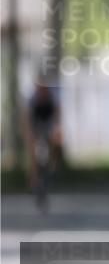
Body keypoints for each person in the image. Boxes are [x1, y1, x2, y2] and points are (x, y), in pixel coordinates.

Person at [24, 81, 60, 211]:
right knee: (32, 152)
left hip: (47, 125)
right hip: (36, 126)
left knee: (56, 140)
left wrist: (56, 129)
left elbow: (56, 116)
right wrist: (29, 135)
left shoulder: (52, 98)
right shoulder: (32, 99)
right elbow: (27, 119)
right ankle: (33, 177)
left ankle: (53, 165)